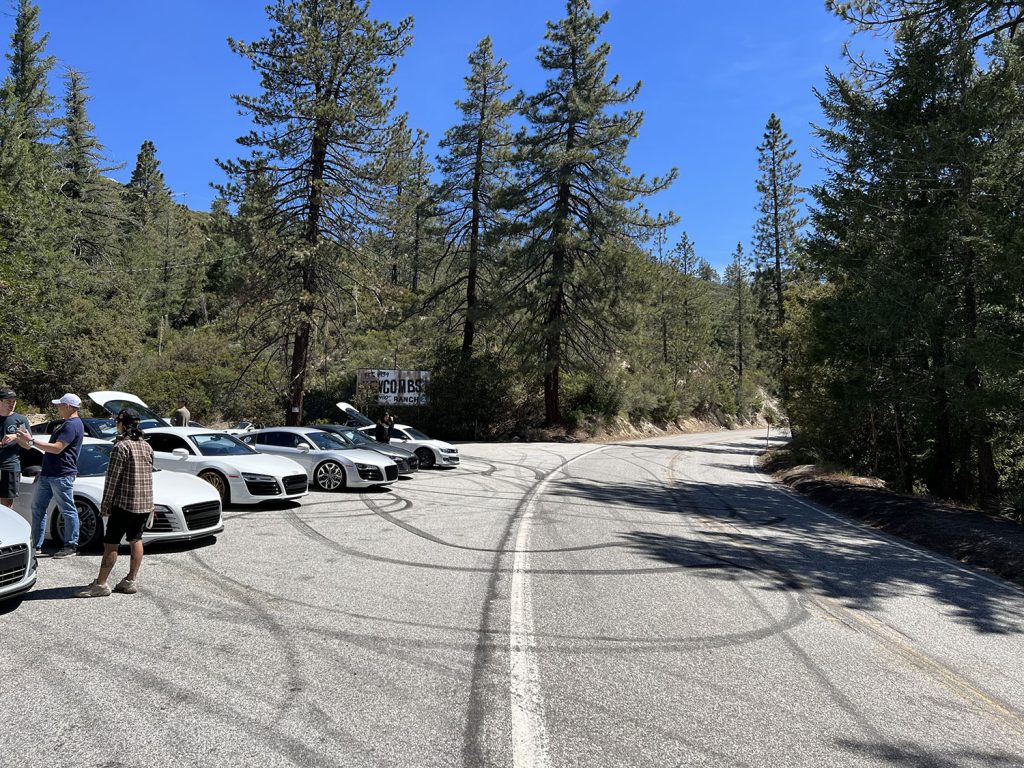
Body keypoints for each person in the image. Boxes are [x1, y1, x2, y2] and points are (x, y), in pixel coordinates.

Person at [76, 408, 154, 598]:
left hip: (123, 504)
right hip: (143, 504)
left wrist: (106, 505)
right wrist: (151, 505)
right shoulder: (147, 447)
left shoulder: (121, 447)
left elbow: (112, 479)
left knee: (111, 543)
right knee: (136, 539)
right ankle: (130, 581)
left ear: (122, 424)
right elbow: (149, 477)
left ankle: (101, 584)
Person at [16, 393, 85, 558]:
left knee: (67, 509)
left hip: (61, 474)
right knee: (38, 507)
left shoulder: (72, 425)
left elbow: (57, 448)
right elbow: (52, 450)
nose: (58, 408)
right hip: (49, 473)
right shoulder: (67, 424)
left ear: (68, 406)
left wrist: (31, 441)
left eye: (60, 405)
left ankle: (71, 545)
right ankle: (36, 545)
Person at [0, 387, 30, 508]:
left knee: (7, 503)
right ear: (0, 401)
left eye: (14, 401)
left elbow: (28, 445)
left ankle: (7, 527)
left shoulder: (20, 421)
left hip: (10, 466)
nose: (11, 404)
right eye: (8, 401)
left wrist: (16, 437)